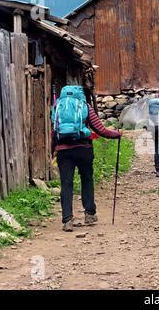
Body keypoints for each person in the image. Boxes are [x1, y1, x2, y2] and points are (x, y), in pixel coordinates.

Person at [51, 86, 122, 232]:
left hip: (63, 151)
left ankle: (67, 220)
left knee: (66, 184)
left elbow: (54, 131)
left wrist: (53, 150)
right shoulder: (85, 106)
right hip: (83, 149)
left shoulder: (58, 106)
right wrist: (117, 134)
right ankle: (89, 214)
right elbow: (100, 129)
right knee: (87, 179)